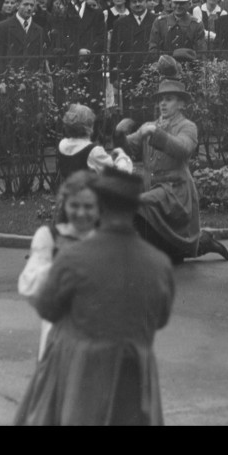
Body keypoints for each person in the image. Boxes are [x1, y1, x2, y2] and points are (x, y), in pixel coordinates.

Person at [14, 167, 175, 426]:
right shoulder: (159, 263)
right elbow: (161, 319)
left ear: (102, 207)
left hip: (81, 369)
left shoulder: (73, 257)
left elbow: (47, 307)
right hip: (134, 370)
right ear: (135, 209)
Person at [126, 56, 228, 264]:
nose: (163, 103)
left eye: (170, 99)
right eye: (161, 99)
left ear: (181, 103)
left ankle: (193, 244)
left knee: (136, 205)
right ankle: (187, 246)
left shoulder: (187, 126)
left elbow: (183, 149)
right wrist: (121, 135)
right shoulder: (150, 125)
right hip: (155, 191)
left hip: (175, 191)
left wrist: (155, 134)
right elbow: (128, 146)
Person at [18, 170, 100, 359]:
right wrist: (63, 264)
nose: (81, 213)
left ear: (99, 207)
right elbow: (29, 287)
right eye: (74, 205)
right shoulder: (50, 237)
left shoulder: (106, 241)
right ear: (64, 205)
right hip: (60, 332)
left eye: (88, 206)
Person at [56, 103, 132, 181]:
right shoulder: (93, 151)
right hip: (88, 192)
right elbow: (120, 173)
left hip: (68, 191)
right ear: (89, 125)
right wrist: (122, 156)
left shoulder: (63, 144)